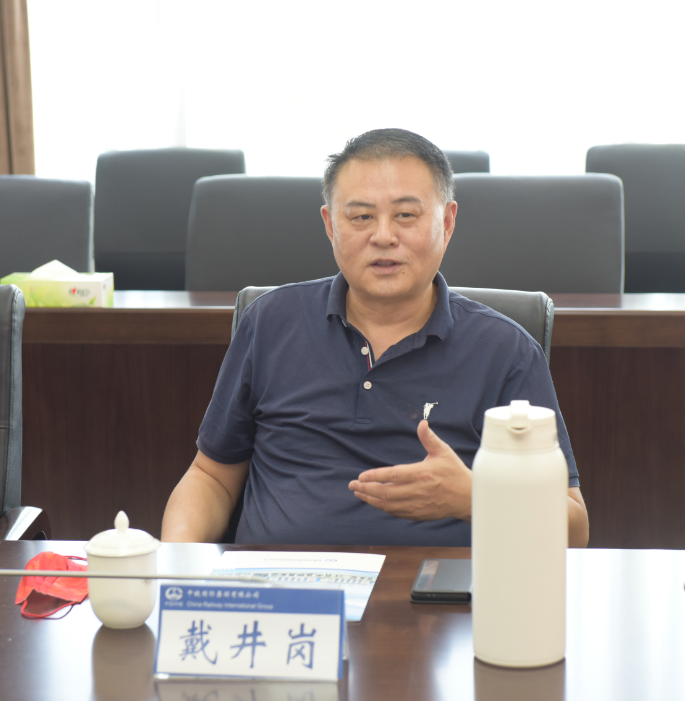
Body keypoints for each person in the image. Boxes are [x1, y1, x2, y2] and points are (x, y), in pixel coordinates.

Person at [162, 128, 589, 548]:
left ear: (447, 222)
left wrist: (476, 499)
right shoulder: (270, 322)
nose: (384, 236)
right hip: (277, 586)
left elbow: (574, 528)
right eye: (362, 217)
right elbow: (212, 477)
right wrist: (175, 558)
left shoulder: (505, 350)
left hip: (433, 590)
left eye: (406, 215)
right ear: (331, 226)